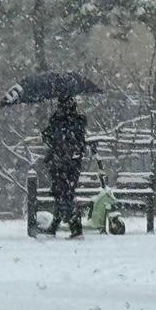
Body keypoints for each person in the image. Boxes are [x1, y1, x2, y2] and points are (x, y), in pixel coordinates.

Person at [42, 96, 88, 238]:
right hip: (72, 164)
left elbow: (53, 139)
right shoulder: (78, 121)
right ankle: (56, 226)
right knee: (64, 194)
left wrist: (47, 135)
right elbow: (79, 142)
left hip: (60, 163)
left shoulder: (58, 120)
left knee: (62, 194)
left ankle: (75, 225)